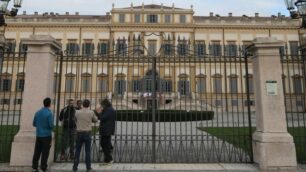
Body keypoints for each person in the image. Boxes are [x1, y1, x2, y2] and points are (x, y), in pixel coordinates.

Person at [73, 99, 98, 172]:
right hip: (87, 133)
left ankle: (75, 167)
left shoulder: (77, 112)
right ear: (89, 105)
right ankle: (88, 168)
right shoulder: (91, 112)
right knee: (87, 151)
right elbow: (96, 120)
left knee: (77, 151)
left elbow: (75, 119)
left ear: (82, 104)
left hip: (79, 133)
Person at [32, 97, 54, 172]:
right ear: (50, 104)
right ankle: (43, 167)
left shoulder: (37, 112)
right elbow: (51, 125)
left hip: (38, 135)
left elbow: (34, 124)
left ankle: (35, 166)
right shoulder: (49, 113)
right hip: (46, 135)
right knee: (45, 152)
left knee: (37, 152)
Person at [95, 98, 116, 165]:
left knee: (103, 144)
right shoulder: (109, 109)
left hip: (106, 130)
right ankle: (107, 160)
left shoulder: (109, 110)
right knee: (106, 145)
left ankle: (110, 159)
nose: (101, 106)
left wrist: (98, 112)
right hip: (107, 129)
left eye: (102, 104)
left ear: (105, 104)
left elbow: (102, 118)